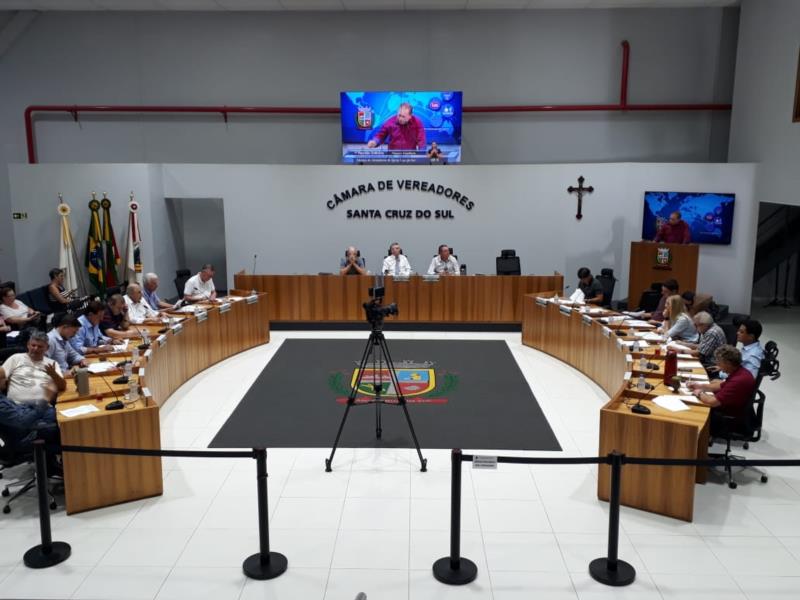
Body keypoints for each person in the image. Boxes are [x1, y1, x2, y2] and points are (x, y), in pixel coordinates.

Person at [689, 345, 756, 437]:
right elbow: (720, 386)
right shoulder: (740, 372)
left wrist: (699, 392)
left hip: (728, 418)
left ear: (728, 363)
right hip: (731, 409)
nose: (717, 364)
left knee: (692, 411)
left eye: (719, 362)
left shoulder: (738, 380)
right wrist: (700, 386)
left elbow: (712, 402)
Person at [0, 330, 66, 404]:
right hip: (16, 407)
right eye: (33, 345)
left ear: (47, 348)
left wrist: (53, 374)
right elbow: (1, 375)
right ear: (28, 345)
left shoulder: (52, 363)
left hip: (42, 408)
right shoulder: (16, 358)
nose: (35, 349)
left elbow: (62, 387)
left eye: (40, 346)